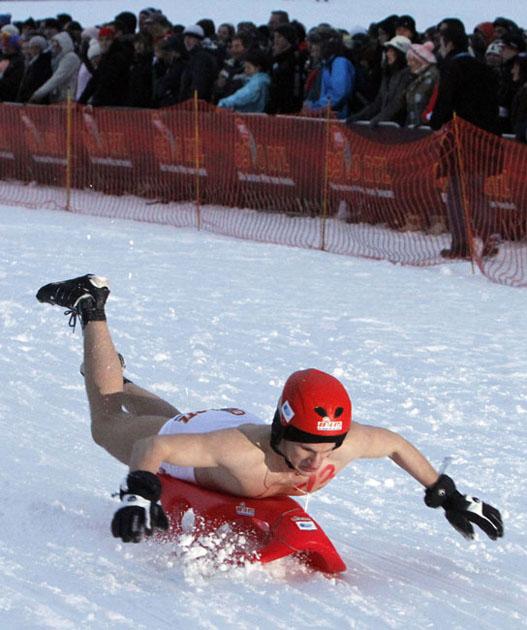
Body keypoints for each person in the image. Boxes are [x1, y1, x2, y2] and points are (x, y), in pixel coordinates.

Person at [36, 274, 504, 545]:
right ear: (283, 432)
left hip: (213, 428)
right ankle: (91, 304)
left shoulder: (336, 443)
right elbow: (151, 444)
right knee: (106, 416)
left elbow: (395, 444)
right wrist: (141, 493)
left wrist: (448, 493)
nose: (317, 464)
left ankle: (111, 368)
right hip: (215, 433)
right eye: (306, 452)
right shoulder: (239, 454)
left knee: (150, 411)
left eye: (328, 450)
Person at [430, 19, 501, 259]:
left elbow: (444, 102)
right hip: (486, 138)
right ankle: (490, 236)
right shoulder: (481, 67)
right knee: (477, 191)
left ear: (447, 42)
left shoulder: (452, 67)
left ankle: (461, 243)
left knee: (456, 192)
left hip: (462, 138)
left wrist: (434, 121)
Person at [348, 35, 412, 126]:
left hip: (399, 128)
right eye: (387, 51)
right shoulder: (388, 74)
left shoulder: (407, 75)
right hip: (386, 126)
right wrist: (359, 116)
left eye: (391, 51)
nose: (387, 54)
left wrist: (379, 119)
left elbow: (398, 103)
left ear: (400, 53)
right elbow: (379, 101)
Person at [217, 48, 270, 112]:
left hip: (249, 117)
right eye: (245, 67)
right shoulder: (260, 80)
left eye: (248, 67)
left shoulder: (257, 83)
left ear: (257, 68)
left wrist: (224, 103)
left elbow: (243, 96)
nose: (245, 70)